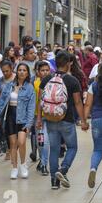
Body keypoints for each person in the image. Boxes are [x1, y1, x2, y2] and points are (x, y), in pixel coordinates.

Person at [36, 51, 88, 190]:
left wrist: (39, 118)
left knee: (54, 149)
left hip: (50, 118)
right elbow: (78, 103)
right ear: (69, 63)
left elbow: (40, 100)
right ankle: (63, 169)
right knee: (72, 147)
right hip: (67, 119)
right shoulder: (72, 81)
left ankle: (54, 181)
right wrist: (83, 121)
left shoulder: (46, 79)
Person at [0, 63, 35, 179]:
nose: (22, 72)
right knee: (12, 144)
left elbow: (31, 107)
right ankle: (14, 167)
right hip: (10, 118)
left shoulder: (30, 88)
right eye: (20, 70)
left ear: (27, 73)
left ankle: (23, 164)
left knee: (21, 142)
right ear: (17, 72)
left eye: (24, 70)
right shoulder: (9, 86)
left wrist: (29, 123)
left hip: (22, 118)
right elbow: (2, 102)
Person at [32, 61, 51, 175]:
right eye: (42, 70)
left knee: (46, 140)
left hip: (49, 117)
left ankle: (44, 164)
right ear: (38, 72)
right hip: (37, 117)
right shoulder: (35, 84)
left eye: (47, 70)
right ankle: (41, 161)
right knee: (40, 141)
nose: (45, 72)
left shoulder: (53, 83)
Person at [0, 60, 16, 160]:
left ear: (12, 69)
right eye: (3, 71)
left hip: (16, 107)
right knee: (5, 129)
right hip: (4, 109)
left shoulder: (17, 79)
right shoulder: (0, 81)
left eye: (7, 71)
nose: (5, 73)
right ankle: (8, 149)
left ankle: (13, 147)